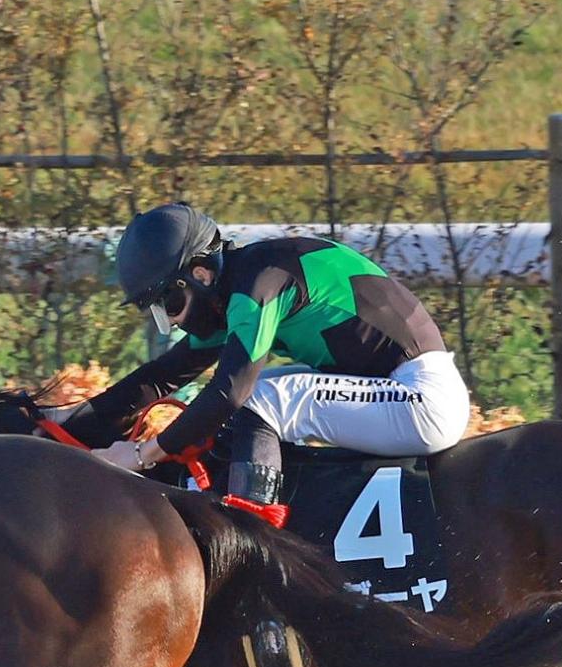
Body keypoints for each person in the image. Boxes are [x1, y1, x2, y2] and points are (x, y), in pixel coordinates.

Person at [56, 203, 471, 525]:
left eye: (171, 304)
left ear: (200, 274)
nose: (173, 322)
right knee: (261, 394)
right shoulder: (239, 285)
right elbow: (161, 377)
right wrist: (58, 425)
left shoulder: (258, 286)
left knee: (262, 398)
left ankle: (250, 542)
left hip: (423, 400)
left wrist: (141, 455)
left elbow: (231, 391)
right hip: (400, 391)